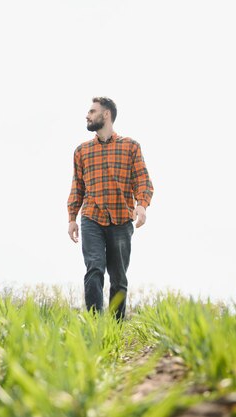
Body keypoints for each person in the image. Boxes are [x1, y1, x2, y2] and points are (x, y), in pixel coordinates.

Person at [67, 97, 154, 320]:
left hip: (122, 220)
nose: (87, 115)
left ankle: (115, 329)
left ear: (106, 115)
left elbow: (142, 180)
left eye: (92, 111)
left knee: (118, 277)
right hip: (91, 218)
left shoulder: (130, 146)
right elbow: (78, 186)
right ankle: (95, 325)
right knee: (94, 268)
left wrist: (141, 205)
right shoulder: (81, 151)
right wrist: (72, 218)